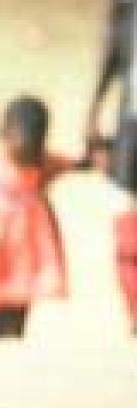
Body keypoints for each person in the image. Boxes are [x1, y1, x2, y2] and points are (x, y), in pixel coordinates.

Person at [0, 96, 82, 338]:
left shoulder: (42, 165)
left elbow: (77, 164)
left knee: (20, 301)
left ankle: (12, 334)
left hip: (28, 255)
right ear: (4, 134)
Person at [86, 0, 137, 335]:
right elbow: (110, 61)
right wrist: (92, 118)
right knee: (127, 221)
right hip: (131, 131)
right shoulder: (127, 11)